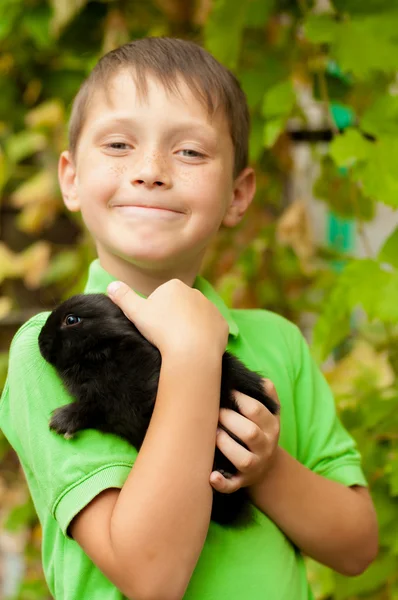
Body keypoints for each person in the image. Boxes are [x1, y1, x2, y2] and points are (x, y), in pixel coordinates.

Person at [0, 37, 378, 600]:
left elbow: (355, 547)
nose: (150, 170)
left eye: (191, 153)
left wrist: (267, 470)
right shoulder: (48, 350)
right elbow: (152, 578)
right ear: (72, 177)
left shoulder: (278, 342)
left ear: (238, 194)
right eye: (120, 144)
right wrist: (194, 357)